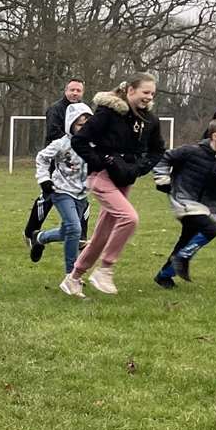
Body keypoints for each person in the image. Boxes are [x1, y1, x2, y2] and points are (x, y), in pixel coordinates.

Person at [61, 73, 166, 297]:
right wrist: (100, 161)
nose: (149, 97)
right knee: (129, 218)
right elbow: (79, 140)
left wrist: (140, 168)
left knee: (102, 235)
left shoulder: (149, 120)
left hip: (125, 180)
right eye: (145, 92)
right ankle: (105, 269)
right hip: (102, 177)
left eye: (152, 94)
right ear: (130, 90)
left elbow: (158, 149)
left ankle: (73, 278)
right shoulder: (108, 113)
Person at [150, 117, 216, 288]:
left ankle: (164, 275)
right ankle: (183, 258)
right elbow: (163, 158)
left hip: (209, 208)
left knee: (187, 239)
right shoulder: (190, 151)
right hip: (184, 200)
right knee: (210, 229)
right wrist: (162, 179)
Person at [30, 103, 91, 277]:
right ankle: (71, 275)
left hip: (82, 194)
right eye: (80, 124)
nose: (84, 128)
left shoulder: (92, 143)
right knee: (75, 229)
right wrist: (44, 180)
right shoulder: (61, 144)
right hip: (61, 191)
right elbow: (41, 158)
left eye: (87, 124)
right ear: (70, 124)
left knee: (68, 231)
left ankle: (40, 238)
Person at [44, 79, 86, 146]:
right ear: (66, 91)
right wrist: (74, 141)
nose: (75, 93)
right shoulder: (55, 109)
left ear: (82, 93)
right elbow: (53, 133)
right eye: (72, 90)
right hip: (57, 150)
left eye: (78, 90)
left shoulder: (85, 110)